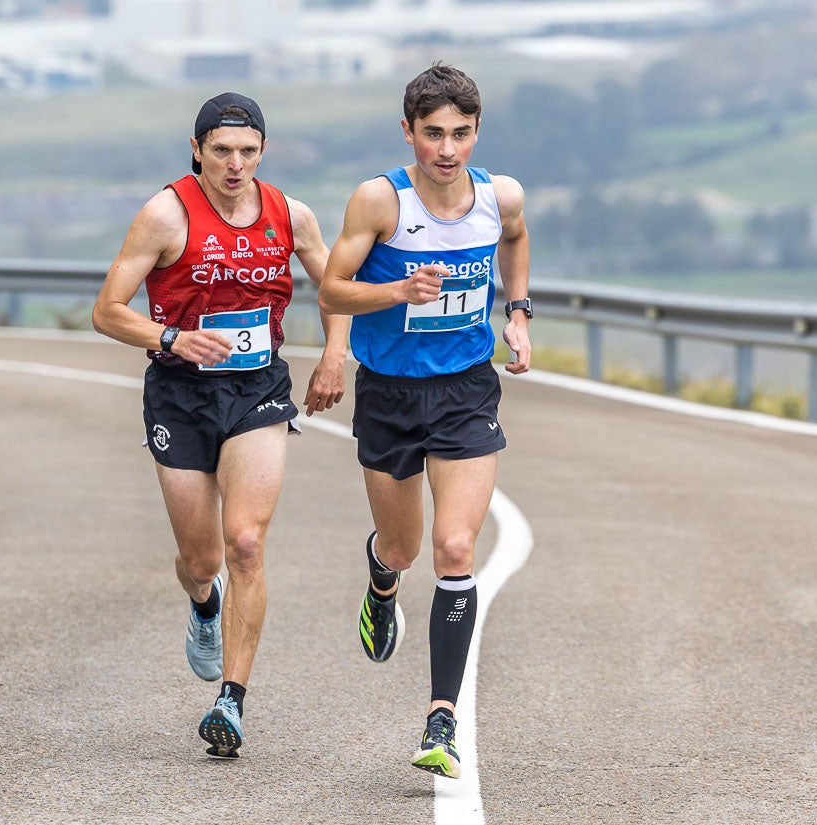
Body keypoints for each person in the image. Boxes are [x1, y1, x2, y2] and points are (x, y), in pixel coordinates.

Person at [92, 91, 350, 760]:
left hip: (257, 389)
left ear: (263, 151)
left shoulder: (290, 215)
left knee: (243, 542)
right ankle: (203, 603)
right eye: (220, 151)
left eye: (247, 151)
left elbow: (334, 289)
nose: (234, 164)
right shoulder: (163, 214)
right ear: (196, 149)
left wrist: (332, 355)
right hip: (179, 394)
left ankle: (230, 699)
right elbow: (108, 310)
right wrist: (170, 336)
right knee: (202, 559)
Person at [317, 63, 532, 780]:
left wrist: (518, 313)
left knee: (453, 546)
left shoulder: (498, 195)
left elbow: (515, 237)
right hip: (389, 393)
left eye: (461, 134)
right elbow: (331, 289)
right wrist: (397, 289)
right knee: (405, 546)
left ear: (477, 132)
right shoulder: (381, 200)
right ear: (407, 131)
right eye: (433, 133)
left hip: (466, 389)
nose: (447, 149)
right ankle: (381, 580)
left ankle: (441, 717)